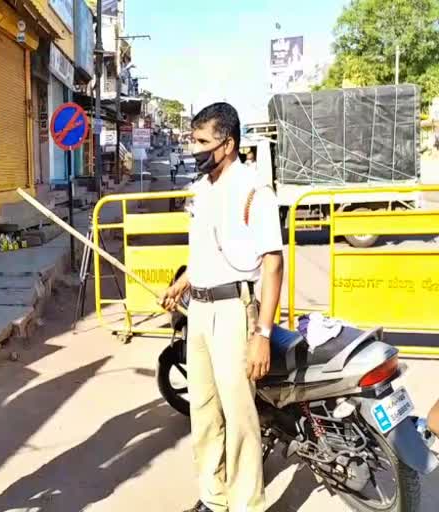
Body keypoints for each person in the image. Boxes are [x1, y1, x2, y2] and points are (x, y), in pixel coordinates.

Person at [163, 103, 284, 512]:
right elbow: (204, 250)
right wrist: (183, 283)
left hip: (234, 310)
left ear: (228, 144)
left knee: (239, 417)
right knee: (203, 413)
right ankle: (214, 499)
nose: (193, 149)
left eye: (201, 141)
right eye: (192, 139)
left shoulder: (254, 190)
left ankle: (248, 503)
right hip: (198, 311)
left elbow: (272, 263)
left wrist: (262, 334)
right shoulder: (202, 188)